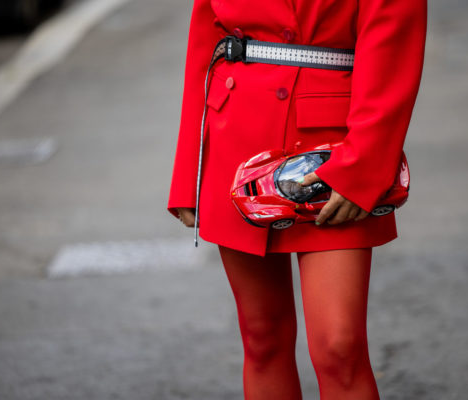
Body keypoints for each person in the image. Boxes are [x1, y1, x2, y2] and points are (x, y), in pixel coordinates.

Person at [167, 0, 426, 398]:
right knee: (262, 338)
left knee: (339, 348)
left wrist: (365, 162)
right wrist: (190, 170)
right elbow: (206, 34)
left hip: (331, 154)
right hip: (234, 138)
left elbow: (394, 30)